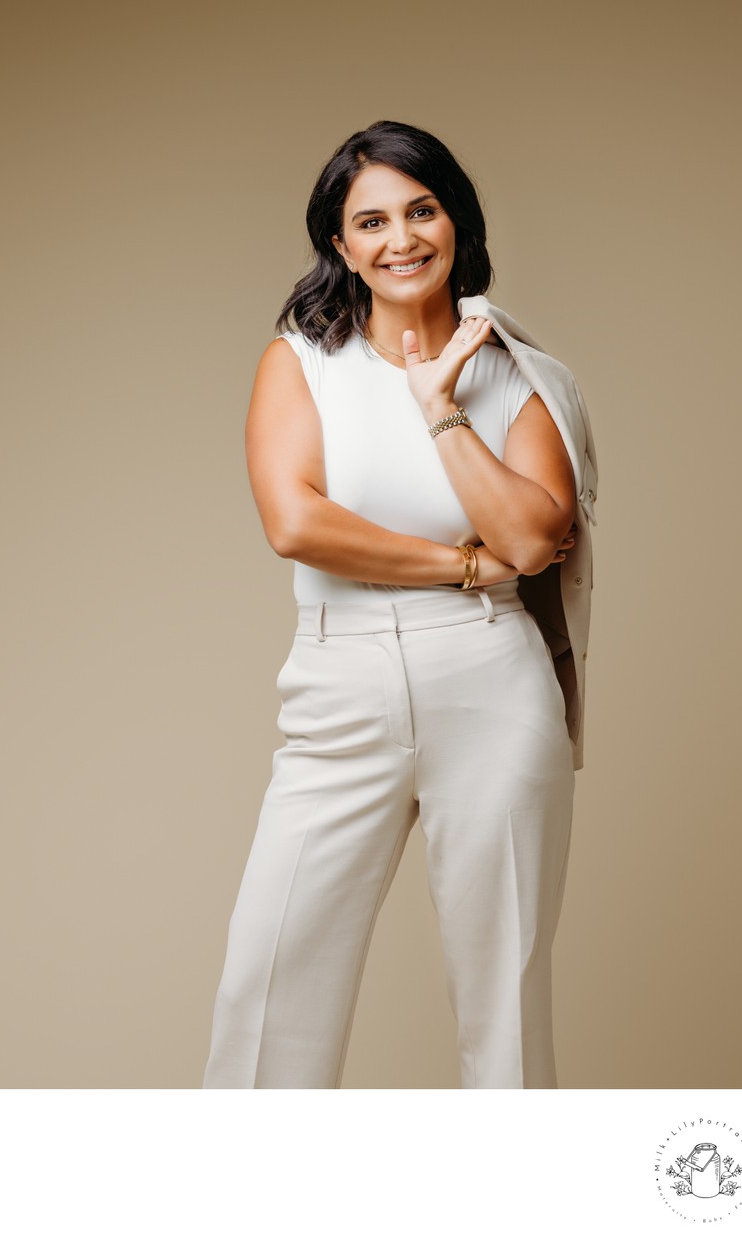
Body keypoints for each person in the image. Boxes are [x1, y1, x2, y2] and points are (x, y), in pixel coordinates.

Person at [202, 119, 590, 1089]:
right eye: (368, 220)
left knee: (502, 998)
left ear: (454, 219)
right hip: (340, 679)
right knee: (268, 981)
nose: (399, 238)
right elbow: (294, 522)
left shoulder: (519, 373)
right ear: (339, 245)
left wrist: (440, 408)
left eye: (419, 210)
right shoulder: (300, 361)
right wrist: (459, 567)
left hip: (492, 683)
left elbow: (532, 538)